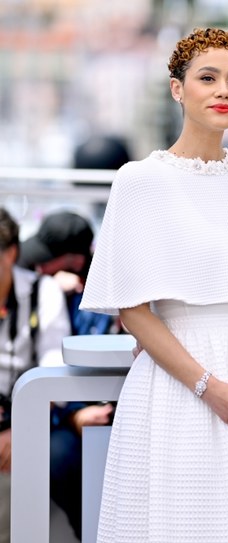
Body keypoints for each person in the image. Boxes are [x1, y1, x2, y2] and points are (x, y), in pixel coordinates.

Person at [79, 28, 228, 542]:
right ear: (177, 89)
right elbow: (134, 311)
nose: (223, 91)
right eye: (207, 78)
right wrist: (209, 387)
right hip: (181, 384)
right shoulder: (139, 181)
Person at [18, 210, 117, 540]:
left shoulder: (103, 294)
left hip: (106, 409)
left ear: (74, 260)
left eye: (48, 262)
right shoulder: (42, 288)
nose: (38, 266)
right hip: (62, 413)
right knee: (58, 457)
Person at [0, 208, 72, 543]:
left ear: (11, 252)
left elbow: (53, 364)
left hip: (27, 415)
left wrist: (19, 426)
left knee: (53, 453)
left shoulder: (42, 292)